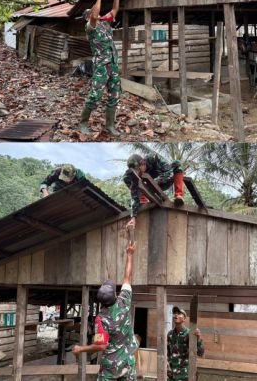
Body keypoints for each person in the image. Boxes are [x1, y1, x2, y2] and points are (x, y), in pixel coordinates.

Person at [73, 221, 137, 380]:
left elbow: (101, 345)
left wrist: (81, 349)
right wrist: (129, 255)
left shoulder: (101, 319)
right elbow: (127, 277)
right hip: (128, 362)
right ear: (115, 295)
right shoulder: (124, 301)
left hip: (111, 365)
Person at [80, 0, 123, 136]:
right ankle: (83, 123)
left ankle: (110, 126)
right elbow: (94, 13)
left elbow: (115, 10)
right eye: (91, 13)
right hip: (101, 67)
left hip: (113, 65)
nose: (95, 13)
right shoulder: (90, 28)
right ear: (88, 17)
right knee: (95, 96)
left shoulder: (104, 24)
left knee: (115, 95)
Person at [123, 154, 185, 224]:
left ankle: (178, 195)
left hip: (163, 181)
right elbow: (134, 195)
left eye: (139, 170)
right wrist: (133, 217)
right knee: (139, 183)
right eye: (136, 171)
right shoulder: (129, 176)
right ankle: (143, 200)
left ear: (143, 163)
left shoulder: (153, 158)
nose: (138, 173)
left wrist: (155, 182)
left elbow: (168, 171)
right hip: (148, 188)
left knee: (178, 165)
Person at [167, 306, 205, 381]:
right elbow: (167, 353)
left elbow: (201, 352)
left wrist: (199, 338)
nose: (176, 315)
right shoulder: (170, 334)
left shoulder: (190, 334)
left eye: (179, 313)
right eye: (175, 313)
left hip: (185, 376)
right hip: (172, 376)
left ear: (184, 319)